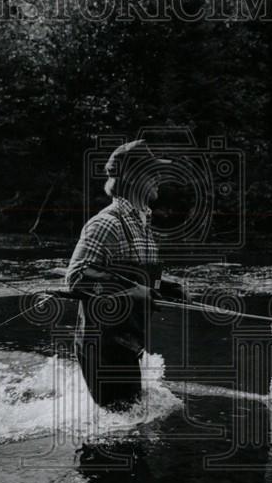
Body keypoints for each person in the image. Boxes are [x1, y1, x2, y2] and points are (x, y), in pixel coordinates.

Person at [66, 140, 185, 409]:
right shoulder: (107, 223)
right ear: (135, 178)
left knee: (130, 423)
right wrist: (135, 291)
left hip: (126, 343)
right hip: (104, 346)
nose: (158, 178)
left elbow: (130, 275)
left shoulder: (141, 222)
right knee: (124, 435)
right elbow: (76, 279)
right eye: (152, 172)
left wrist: (166, 287)